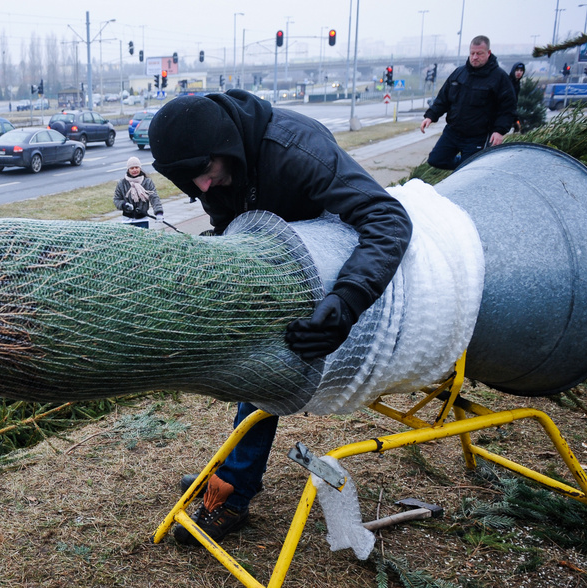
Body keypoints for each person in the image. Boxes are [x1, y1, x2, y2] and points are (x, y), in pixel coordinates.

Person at [148, 89, 412, 545]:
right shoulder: (212, 175)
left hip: (332, 267)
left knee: (265, 369)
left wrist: (346, 301)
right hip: (277, 262)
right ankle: (235, 472)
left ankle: (233, 492)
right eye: (192, 184)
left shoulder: (296, 150)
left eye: (205, 174)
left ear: (224, 149)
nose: (204, 189)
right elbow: (227, 224)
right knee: (248, 364)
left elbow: (388, 219)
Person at [420, 36, 516, 170]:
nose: (475, 57)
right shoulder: (459, 73)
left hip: (478, 137)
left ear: (488, 53)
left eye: (479, 53)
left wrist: (499, 131)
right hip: (453, 132)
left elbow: (507, 108)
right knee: (436, 160)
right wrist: (430, 116)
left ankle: (468, 168)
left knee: (468, 172)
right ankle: (466, 166)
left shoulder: (499, 78)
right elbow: (443, 98)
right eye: (472, 53)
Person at [114, 156, 163, 229]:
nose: (134, 170)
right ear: (128, 169)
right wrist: (124, 205)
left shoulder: (147, 182)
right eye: (132, 168)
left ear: (140, 168)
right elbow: (116, 199)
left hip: (142, 219)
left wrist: (159, 213)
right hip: (127, 220)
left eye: (136, 167)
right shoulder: (122, 183)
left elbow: (154, 198)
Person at [508, 62, 526, 133]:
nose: (519, 72)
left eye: (521, 70)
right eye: (517, 70)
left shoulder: (517, 84)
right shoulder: (508, 82)